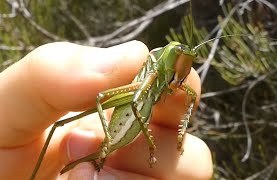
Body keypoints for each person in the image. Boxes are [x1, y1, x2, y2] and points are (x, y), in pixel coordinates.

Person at [0, 41, 213, 179]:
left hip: (138, 111)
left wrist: (178, 138)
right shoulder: (154, 65)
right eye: (179, 54)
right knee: (77, 114)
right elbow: (118, 99)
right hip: (132, 98)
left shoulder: (180, 86)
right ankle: (105, 147)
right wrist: (150, 145)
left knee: (191, 94)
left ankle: (102, 152)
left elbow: (188, 98)